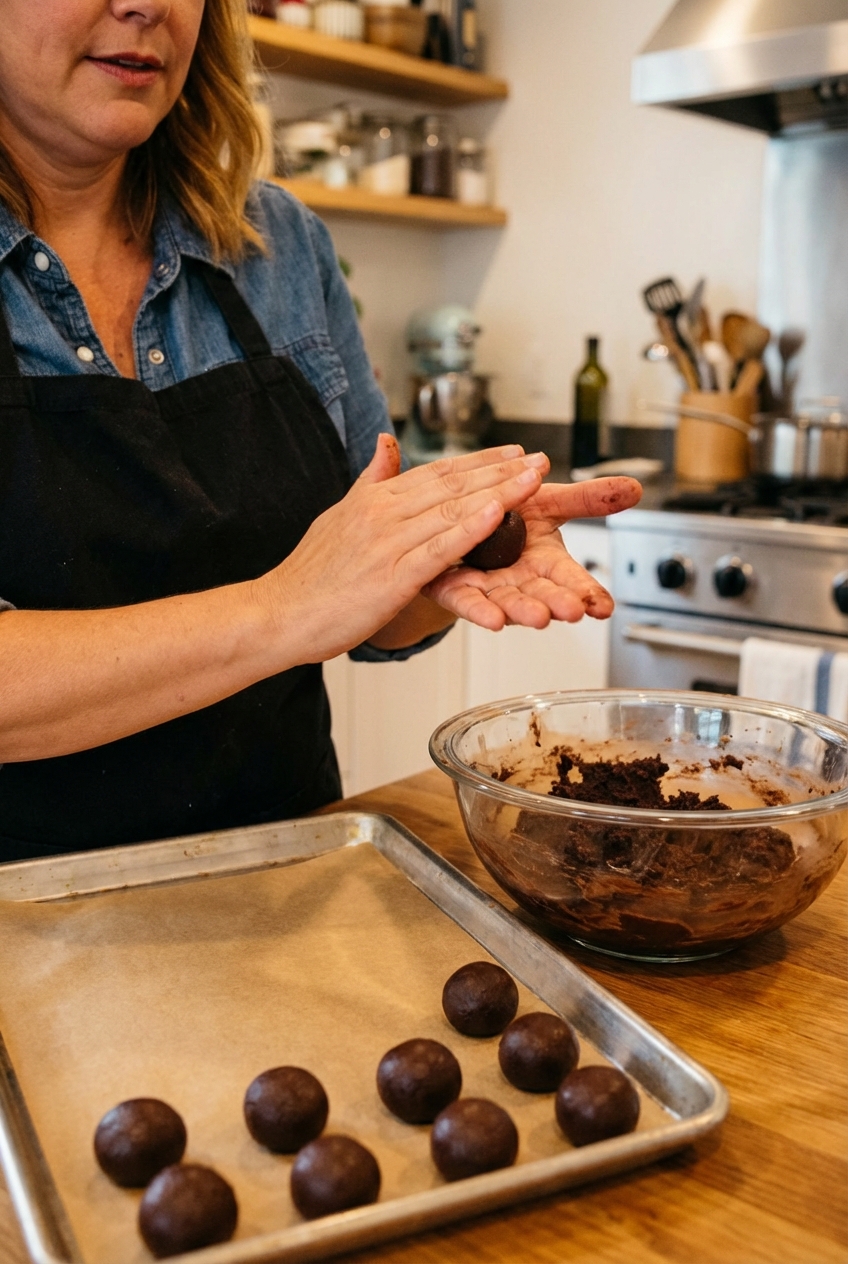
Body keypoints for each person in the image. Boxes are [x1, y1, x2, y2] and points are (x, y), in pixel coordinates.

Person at [0, 0, 641, 863]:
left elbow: (371, 618)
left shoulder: (279, 246)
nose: (144, 5)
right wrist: (288, 608)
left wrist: (436, 556)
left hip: (289, 881)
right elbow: (312, 604)